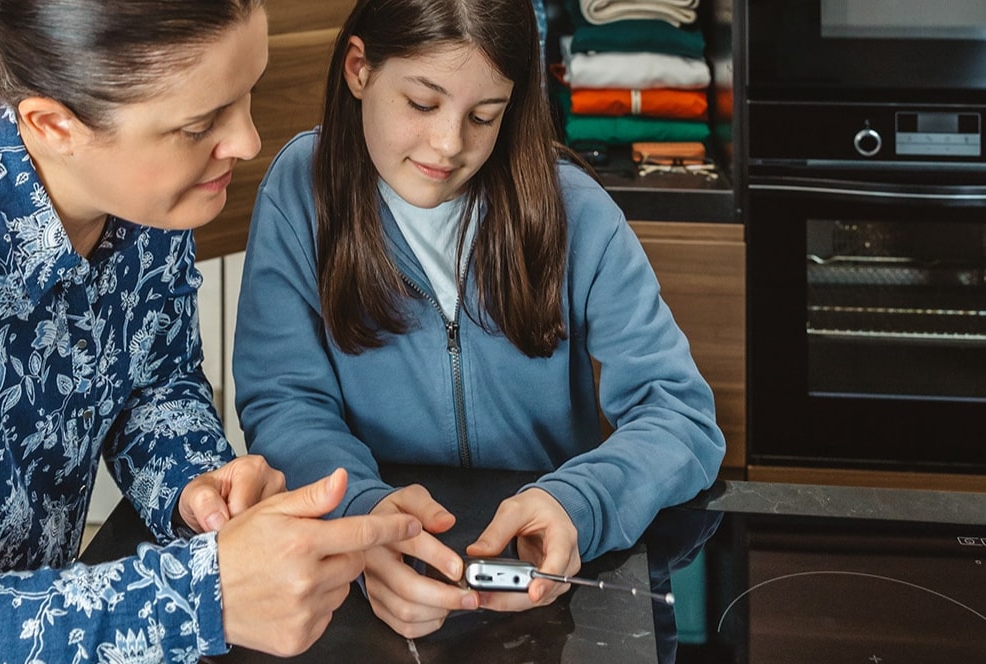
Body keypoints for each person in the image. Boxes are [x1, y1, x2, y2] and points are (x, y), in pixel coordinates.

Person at [0, 0, 422, 660]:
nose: (246, 143)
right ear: (54, 124)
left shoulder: (145, 204)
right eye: (198, 124)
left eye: (246, 93)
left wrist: (198, 489)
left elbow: (154, 387)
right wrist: (203, 597)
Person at [232, 0, 726, 639]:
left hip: (545, 594)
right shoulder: (298, 193)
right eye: (422, 103)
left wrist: (576, 501)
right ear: (359, 69)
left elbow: (680, 415)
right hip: (357, 578)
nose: (449, 143)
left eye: (484, 116)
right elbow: (285, 404)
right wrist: (363, 513)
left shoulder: (576, 211)